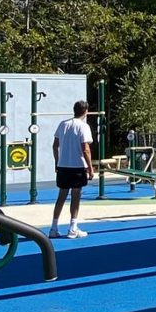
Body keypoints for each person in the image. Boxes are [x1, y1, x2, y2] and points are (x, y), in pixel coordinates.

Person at [49, 101, 96, 239]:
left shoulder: (63, 124)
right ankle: (73, 228)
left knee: (61, 196)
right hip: (77, 167)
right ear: (85, 111)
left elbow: (55, 146)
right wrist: (90, 168)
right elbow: (86, 149)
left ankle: (53, 227)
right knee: (76, 196)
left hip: (63, 166)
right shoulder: (83, 126)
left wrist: (57, 162)